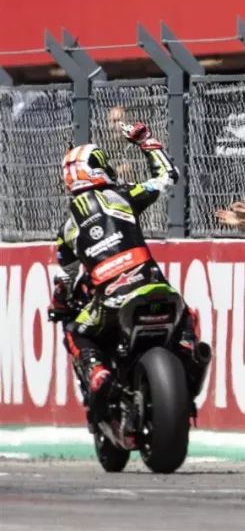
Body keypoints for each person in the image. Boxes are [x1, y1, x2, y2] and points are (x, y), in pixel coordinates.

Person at [49, 123, 207, 416]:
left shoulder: (67, 229)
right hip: (153, 285)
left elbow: (65, 280)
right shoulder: (123, 194)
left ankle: (96, 369)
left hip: (110, 301)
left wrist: (59, 304)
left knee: (75, 331)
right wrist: (146, 141)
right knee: (186, 314)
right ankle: (188, 348)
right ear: (98, 168)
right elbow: (168, 176)